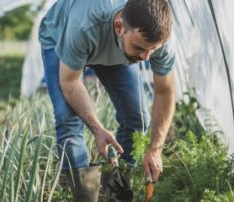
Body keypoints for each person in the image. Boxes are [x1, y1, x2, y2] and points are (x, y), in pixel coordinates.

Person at [39, 0, 175, 201]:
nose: (146, 57)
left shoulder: (157, 40)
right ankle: (84, 197)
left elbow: (164, 92)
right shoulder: (85, 25)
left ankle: (114, 194)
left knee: (137, 121)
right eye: (139, 47)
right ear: (119, 26)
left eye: (152, 50)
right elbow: (70, 81)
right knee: (67, 120)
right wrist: (97, 129)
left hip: (115, 48)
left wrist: (155, 149)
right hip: (59, 37)